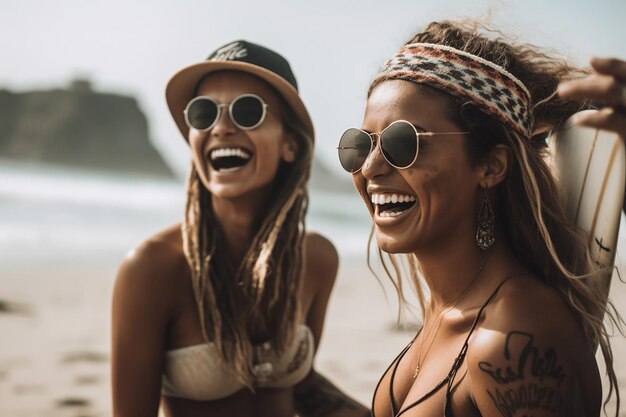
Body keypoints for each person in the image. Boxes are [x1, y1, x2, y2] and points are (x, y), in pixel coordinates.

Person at [336, 20, 624, 417]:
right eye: (359, 145)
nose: (369, 168)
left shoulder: (516, 335)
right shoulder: (450, 310)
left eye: (403, 143)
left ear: (491, 165)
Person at [111, 40, 368, 417]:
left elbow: (301, 386)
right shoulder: (152, 268)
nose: (221, 128)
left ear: (291, 145)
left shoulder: (316, 258)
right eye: (203, 114)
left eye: (248, 111)